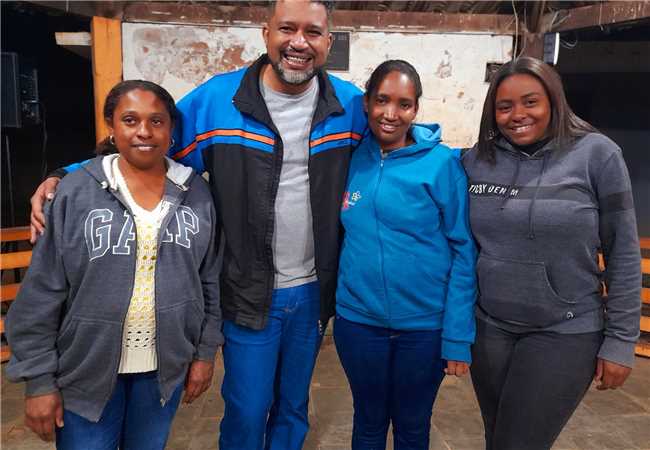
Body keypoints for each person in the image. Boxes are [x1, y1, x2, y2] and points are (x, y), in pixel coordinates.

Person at [28, 1, 367, 448]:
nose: (299, 42)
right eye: (287, 28)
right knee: (247, 409)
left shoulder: (349, 106)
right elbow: (147, 144)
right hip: (248, 288)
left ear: (328, 40)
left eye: (313, 32)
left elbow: (395, 133)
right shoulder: (216, 102)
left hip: (313, 290)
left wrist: (438, 147)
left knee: (292, 407)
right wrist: (66, 174)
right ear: (265, 34)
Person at [6, 80, 223, 449]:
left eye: (157, 121)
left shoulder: (197, 193)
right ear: (111, 125)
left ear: (171, 130)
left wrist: (204, 353)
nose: (144, 131)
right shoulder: (75, 192)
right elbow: (41, 293)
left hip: (162, 372)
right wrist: (39, 381)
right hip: (83, 372)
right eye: (130, 119)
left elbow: (209, 282)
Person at [462, 57, 641, 450]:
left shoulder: (597, 155)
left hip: (564, 331)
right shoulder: (477, 160)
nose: (517, 115)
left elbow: (623, 253)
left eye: (531, 102)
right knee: (498, 438)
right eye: (504, 106)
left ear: (554, 102)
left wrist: (621, 341)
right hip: (489, 329)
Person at [334, 60, 477, 450]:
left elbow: (464, 250)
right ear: (366, 103)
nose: (391, 114)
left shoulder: (441, 163)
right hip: (358, 323)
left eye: (404, 104)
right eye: (382, 100)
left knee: (413, 426)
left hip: (424, 330)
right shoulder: (351, 158)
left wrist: (458, 337)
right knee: (367, 422)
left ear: (416, 109)